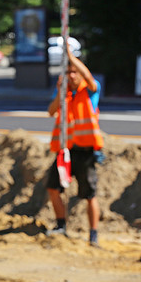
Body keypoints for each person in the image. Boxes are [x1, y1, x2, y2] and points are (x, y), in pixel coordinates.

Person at [46, 42, 103, 247]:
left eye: (74, 72)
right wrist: (60, 93)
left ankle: (93, 234)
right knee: (53, 188)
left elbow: (88, 77)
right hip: (65, 150)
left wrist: (70, 57)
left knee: (89, 194)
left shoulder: (89, 90)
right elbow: (51, 111)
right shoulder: (64, 93)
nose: (72, 75)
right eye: (68, 72)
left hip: (85, 152)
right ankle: (61, 225)